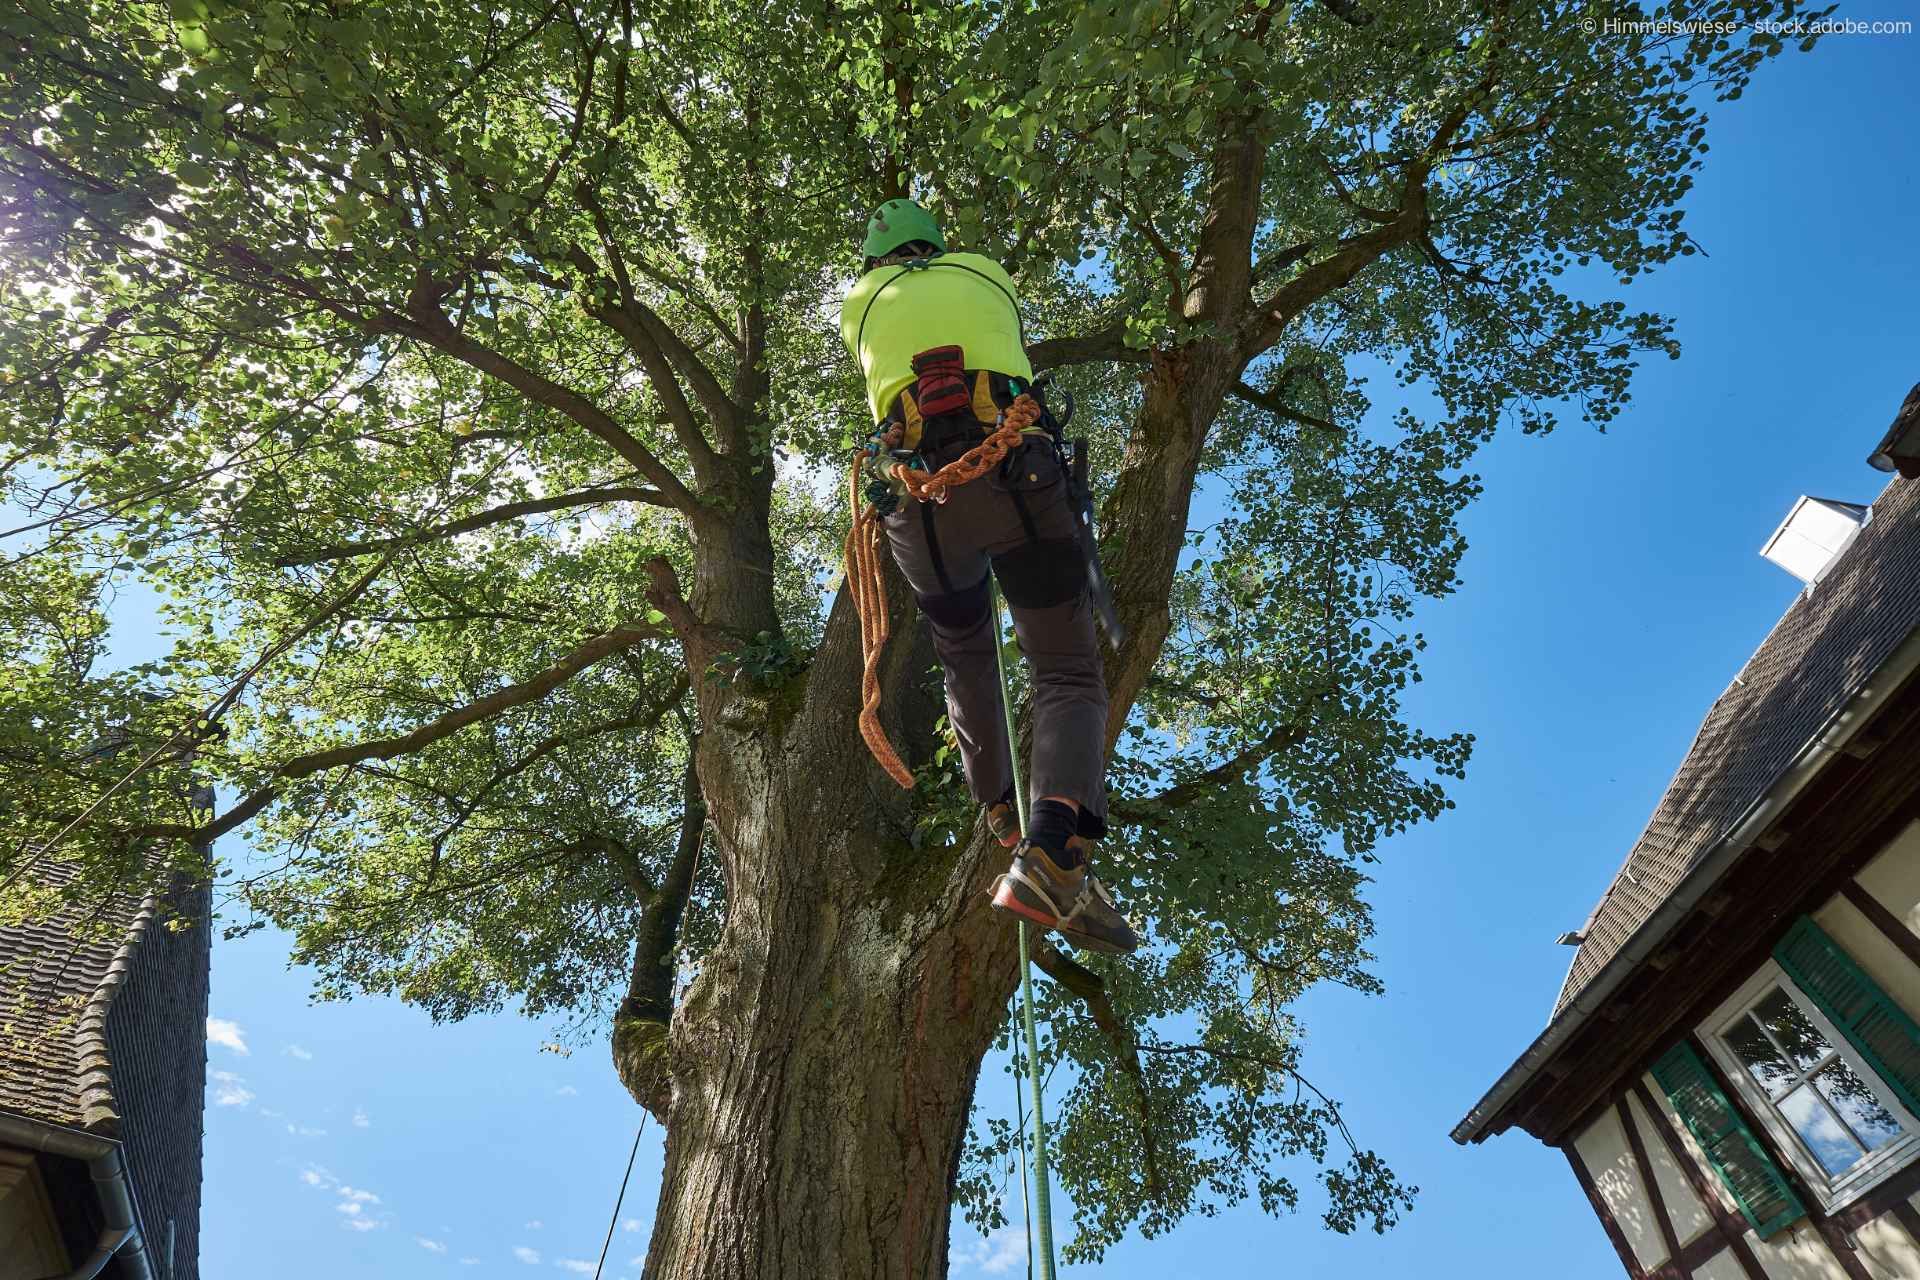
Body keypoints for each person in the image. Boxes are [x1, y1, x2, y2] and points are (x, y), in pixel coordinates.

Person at [838, 198, 1139, 956]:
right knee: (1067, 669)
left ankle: (1007, 816)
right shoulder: (987, 272)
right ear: (936, 244)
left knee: (963, 651)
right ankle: (1051, 844)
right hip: (1016, 476)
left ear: (878, 259)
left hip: (921, 503)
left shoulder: (859, 304)